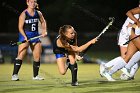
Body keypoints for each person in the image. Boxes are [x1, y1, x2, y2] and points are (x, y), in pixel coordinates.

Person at [99, 6, 140, 81]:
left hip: (132, 35)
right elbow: (130, 25)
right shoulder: (137, 11)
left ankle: (111, 72)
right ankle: (106, 66)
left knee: (129, 57)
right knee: (125, 57)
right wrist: (137, 23)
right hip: (125, 35)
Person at [12, 0, 47, 81]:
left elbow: (43, 21)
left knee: (37, 56)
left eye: (34, 2)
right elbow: (20, 28)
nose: (33, 3)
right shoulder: (23, 14)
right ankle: (14, 75)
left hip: (35, 36)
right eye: (31, 2)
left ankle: (35, 76)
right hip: (25, 37)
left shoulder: (38, 13)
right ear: (27, 3)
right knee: (21, 55)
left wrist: (44, 30)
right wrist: (25, 37)